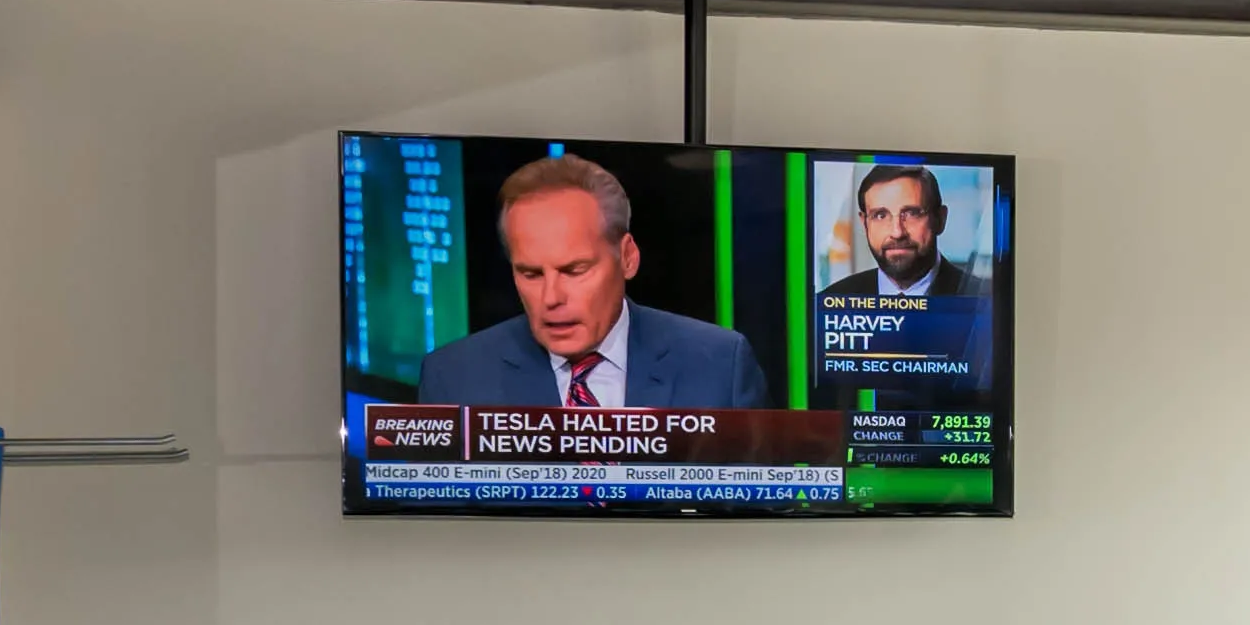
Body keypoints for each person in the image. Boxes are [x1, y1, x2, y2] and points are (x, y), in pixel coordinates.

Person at [406, 147, 758, 411]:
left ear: (628, 258)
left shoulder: (719, 367)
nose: (551, 297)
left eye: (574, 271)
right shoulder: (453, 379)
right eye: (530, 273)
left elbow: (758, 505)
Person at [811, 156, 995, 398]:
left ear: (940, 219)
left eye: (911, 213)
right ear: (864, 222)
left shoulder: (985, 303)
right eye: (880, 215)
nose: (897, 232)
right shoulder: (826, 306)